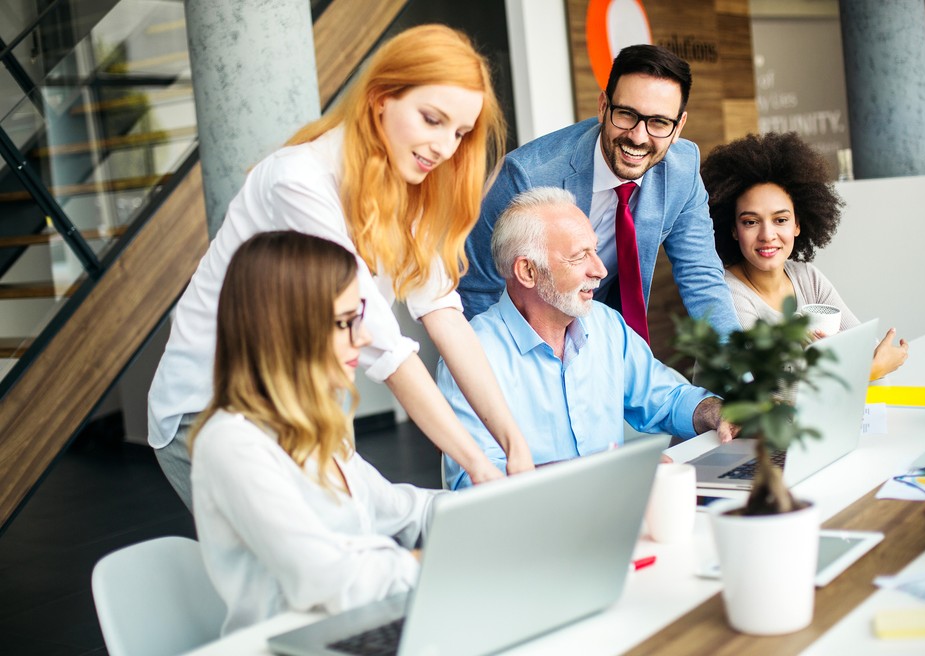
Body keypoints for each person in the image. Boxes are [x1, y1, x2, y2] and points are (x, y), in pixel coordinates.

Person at [148, 24, 534, 509]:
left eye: (459, 133)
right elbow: (383, 346)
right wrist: (478, 465)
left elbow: (443, 314)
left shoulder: (405, 187)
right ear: (380, 100)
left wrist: (514, 445)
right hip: (211, 409)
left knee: (348, 552)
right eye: (431, 119)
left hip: (302, 403)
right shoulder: (298, 183)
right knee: (302, 573)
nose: (445, 147)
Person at [191, 232, 445, 635]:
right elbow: (326, 577)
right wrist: (430, 562)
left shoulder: (319, 432)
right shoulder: (232, 445)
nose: (362, 338)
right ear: (285, 331)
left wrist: (483, 511)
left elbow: (402, 509)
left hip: (352, 629)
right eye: (345, 323)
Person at [438, 188, 738, 490]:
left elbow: (666, 399)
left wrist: (717, 412)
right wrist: (608, 472)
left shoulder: (605, 323)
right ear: (527, 271)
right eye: (580, 256)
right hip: (532, 527)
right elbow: (473, 483)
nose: (600, 269)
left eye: (594, 250)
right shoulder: (470, 352)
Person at [458, 44, 740, 343]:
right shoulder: (526, 176)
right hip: (524, 334)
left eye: (659, 122)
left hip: (606, 336)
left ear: (678, 125)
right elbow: (476, 289)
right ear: (603, 106)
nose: (638, 137)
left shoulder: (682, 169)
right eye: (627, 114)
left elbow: (702, 280)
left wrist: (744, 374)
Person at [700, 131, 908, 380]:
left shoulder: (806, 277)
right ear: (733, 229)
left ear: (798, 224)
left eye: (781, 220)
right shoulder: (725, 294)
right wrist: (866, 370)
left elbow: (867, 348)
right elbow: (766, 388)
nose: (767, 235)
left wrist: (866, 362)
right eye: (751, 222)